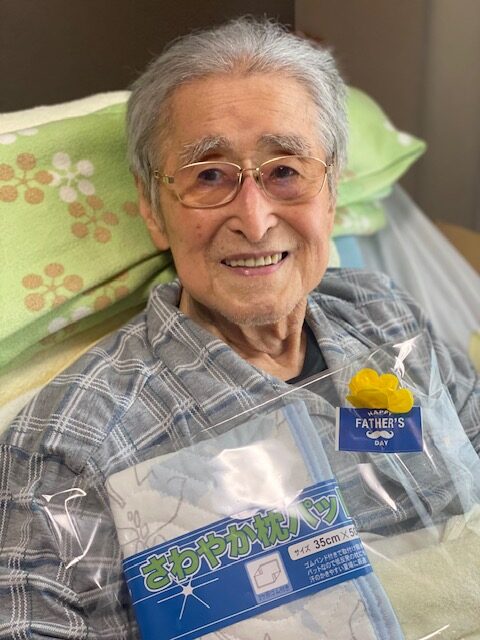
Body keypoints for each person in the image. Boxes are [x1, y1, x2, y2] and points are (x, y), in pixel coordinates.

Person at [0, 17, 478, 639]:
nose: (254, 221)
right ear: (152, 209)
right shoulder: (76, 441)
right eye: (208, 175)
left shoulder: (383, 315)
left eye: (286, 171)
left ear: (331, 189)